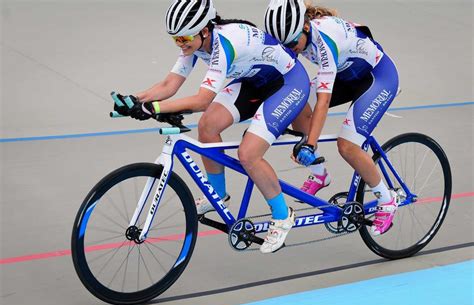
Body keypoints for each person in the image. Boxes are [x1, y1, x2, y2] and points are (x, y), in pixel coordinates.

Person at [113, 0, 311, 253]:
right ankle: (217, 194)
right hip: (255, 81)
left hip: (287, 83)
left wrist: (156, 109)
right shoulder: (194, 44)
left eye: (184, 38)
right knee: (208, 126)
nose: (181, 45)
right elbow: (168, 85)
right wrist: (134, 100)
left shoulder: (224, 44)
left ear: (205, 30)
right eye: (175, 40)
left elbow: (202, 100)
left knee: (248, 154)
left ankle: (283, 216)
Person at [264, 0, 400, 236]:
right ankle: (320, 174)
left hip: (377, 78)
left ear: (305, 27)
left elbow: (324, 102)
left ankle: (387, 200)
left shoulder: (325, 41)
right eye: (286, 46)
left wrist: (310, 143)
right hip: (346, 74)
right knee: (297, 99)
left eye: (294, 43)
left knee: (347, 145)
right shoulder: (297, 35)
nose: (292, 49)